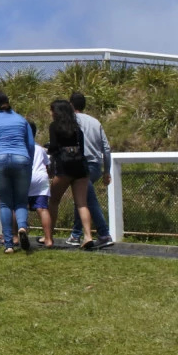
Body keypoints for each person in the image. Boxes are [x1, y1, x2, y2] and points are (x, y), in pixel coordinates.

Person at [0, 92, 36, 253]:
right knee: (21, 201)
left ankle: (8, 244)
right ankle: (21, 227)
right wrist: (29, 162)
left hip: (0, 159)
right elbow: (31, 144)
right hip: (22, 158)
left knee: (5, 202)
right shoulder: (21, 120)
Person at [46, 98, 97, 250]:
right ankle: (88, 236)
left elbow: (54, 147)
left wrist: (48, 149)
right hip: (80, 165)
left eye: (52, 110)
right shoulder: (76, 127)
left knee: (53, 200)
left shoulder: (55, 126)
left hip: (65, 166)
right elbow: (81, 147)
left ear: (57, 112)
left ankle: (49, 235)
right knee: (82, 203)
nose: (51, 113)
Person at [69, 92, 114, 248]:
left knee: (88, 200)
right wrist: (107, 171)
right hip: (95, 165)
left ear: (71, 105)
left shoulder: (70, 121)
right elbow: (106, 149)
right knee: (82, 197)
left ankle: (104, 233)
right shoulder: (95, 122)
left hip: (80, 165)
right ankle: (75, 234)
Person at [29, 139, 54, 243]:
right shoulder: (40, 149)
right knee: (42, 209)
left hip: (25, 177)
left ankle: (16, 236)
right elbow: (47, 165)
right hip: (41, 178)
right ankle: (48, 239)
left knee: (19, 208)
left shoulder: (19, 147)